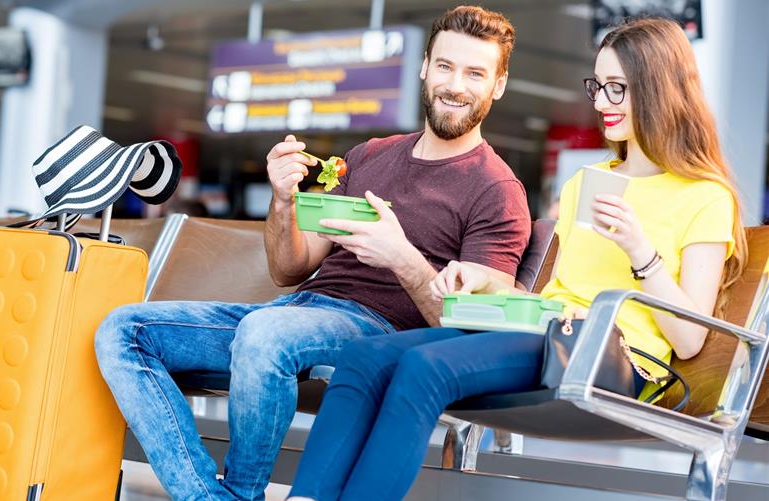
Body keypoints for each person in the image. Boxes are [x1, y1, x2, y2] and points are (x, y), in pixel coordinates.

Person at [287, 17, 747, 501]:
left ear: (657, 90)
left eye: (618, 88)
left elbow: (691, 338)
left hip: (615, 358)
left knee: (426, 369)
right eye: (598, 86)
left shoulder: (704, 197)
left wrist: (641, 252)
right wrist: (486, 282)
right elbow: (554, 297)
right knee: (365, 358)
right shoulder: (586, 182)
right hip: (550, 333)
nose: (600, 103)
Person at [94, 6, 530, 501]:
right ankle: (207, 496)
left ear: (498, 85)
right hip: (294, 312)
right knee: (122, 330)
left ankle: (240, 490)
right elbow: (289, 269)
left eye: (475, 73)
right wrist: (283, 201)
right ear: (425, 67)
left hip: (379, 333)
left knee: (265, 333)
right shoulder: (370, 155)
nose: (456, 85)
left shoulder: (496, 190)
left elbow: (473, 335)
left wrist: (401, 256)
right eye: (447, 66)